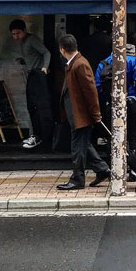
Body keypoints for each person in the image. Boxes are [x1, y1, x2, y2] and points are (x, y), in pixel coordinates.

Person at [56, 34, 111, 191]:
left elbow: (90, 91)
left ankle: (77, 179)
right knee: (84, 145)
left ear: (62, 49)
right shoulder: (74, 63)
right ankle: (102, 169)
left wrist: (95, 114)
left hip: (81, 115)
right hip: (77, 115)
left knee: (78, 148)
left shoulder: (80, 64)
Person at [9, 19, 54, 150]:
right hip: (32, 74)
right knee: (33, 105)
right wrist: (24, 61)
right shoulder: (24, 42)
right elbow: (33, 56)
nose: (16, 36)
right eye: (13, 34)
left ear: (24, 30)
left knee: (38, 106)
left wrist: (45, 67)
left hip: (38, 75)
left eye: (18, 33)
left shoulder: (32, 39)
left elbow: (46, 52)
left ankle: (39, 136)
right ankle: (36, 135)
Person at [95, 44, 136, 151]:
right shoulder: (133, 61)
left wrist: (106, 97)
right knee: (132, 136)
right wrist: (133, 91)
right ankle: (133, 158)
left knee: (112, 135)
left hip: (111, 102)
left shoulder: (104, 62)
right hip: (130, 100)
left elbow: (97, 85)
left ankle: (113, 158)